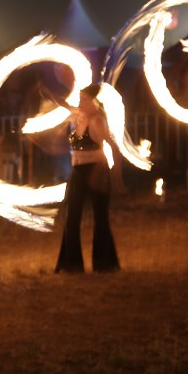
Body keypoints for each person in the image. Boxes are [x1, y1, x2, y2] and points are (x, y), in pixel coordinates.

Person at [51, 83, 122, 273]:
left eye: (83, 99)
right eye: (80, 99)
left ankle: (104, 263)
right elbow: (64, 105)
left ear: (93, 102)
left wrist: (115, 176)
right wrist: (47, 92)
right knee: (72, 216)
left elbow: (112, 146)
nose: (80, 102)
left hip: (96, 169)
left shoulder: (97, 121)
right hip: (78, 171)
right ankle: (71, 264)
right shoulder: (79, 116)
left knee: (101, 217)